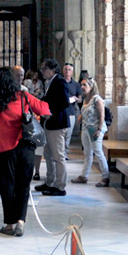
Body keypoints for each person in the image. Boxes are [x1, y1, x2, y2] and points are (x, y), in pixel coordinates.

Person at [0, 68, 51, 236]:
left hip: (3, 149)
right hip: (25, 147)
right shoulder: (24, 97)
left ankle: (9, 224)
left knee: (7, 186)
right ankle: (21, 221)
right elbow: (45, 109)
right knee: (23, 185)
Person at [36, 58, 72, 196]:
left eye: (44, 69)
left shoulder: (60, 81)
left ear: (53, 70)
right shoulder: (50, 82)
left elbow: (64, 102)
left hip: (57, 123)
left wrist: (50, 112)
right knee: (49, 155)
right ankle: (50, 182)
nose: (42, 71)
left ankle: (60, 186)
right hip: (50, 123)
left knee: (58, 155)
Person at [71, 77, 111, 187]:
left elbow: (101, 116)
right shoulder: (86, 99)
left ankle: (105, 177)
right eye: (81, 85)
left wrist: (99, 130)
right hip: (85, 128)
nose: (82, 87)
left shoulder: (97, 99)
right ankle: (84, 176)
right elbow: (87, 112)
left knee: (98, 152)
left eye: (85, 85)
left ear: (91, 87)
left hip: (95, 129)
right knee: (87, 153)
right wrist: (81, 116)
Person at [62, 63, 82, 147]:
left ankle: (65, 152)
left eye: (69, 70)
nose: (67, 71)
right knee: (60, 134)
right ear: (63, 71)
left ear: (72, 72)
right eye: (66, 69)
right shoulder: (59, 82)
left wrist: (76, 99)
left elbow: (80, 99)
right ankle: (60, 152)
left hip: (71, 112)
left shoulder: (76, 84)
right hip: (61, 111)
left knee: (68, 134)